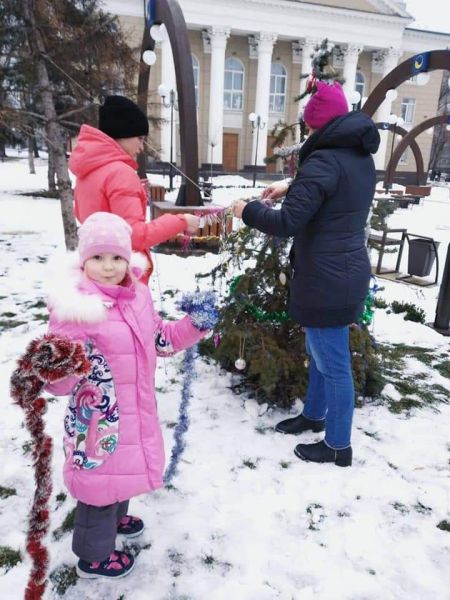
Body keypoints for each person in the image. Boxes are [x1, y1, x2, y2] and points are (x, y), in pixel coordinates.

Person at [45, 212, 213, 578]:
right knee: (98, 486)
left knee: (121, 473)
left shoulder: (137, 295)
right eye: (98, 258)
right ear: (83, 259)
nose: (109, 267)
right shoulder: (75, 309)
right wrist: (60, 366)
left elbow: (160, 340)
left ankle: (116, 520)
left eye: (117, 258)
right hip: (98, 420)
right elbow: (56, 382)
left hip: (135, 408)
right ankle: (93, 556)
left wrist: (194, 325)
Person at [233, 81, 380, 467]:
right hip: (340, 271)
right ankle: (314, 416)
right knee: (318, 353)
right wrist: (290, 185)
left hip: (327, 277)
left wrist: (244, 210)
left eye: (308, 127)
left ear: (315, 126)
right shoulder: (356, 156)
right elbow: (331, 192)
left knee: (333, 363)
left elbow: (288, 223)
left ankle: (337, 445)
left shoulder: (324, 160)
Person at [68, 95, 200, 283]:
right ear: (123, 133)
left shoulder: (89, 169)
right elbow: (136, 236)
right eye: (139, 138)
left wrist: (133, 192)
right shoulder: (121, 173)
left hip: (96, 271)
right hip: (122, 278)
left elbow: (83, 213)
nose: (141, 146)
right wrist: (181, 221)